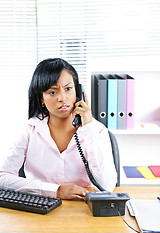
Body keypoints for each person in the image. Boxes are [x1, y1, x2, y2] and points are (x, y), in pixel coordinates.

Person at [0, 58, 117, 200]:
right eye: (52, 92)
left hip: (83, 210)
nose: (62, 98)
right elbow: (3, 177)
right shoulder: (30, 129)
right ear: (41, 98)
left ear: (78, 91)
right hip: (40, 208)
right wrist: (55, 191)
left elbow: (107, 185)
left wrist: (88, 127)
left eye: (68, 89)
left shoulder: (97, 131)